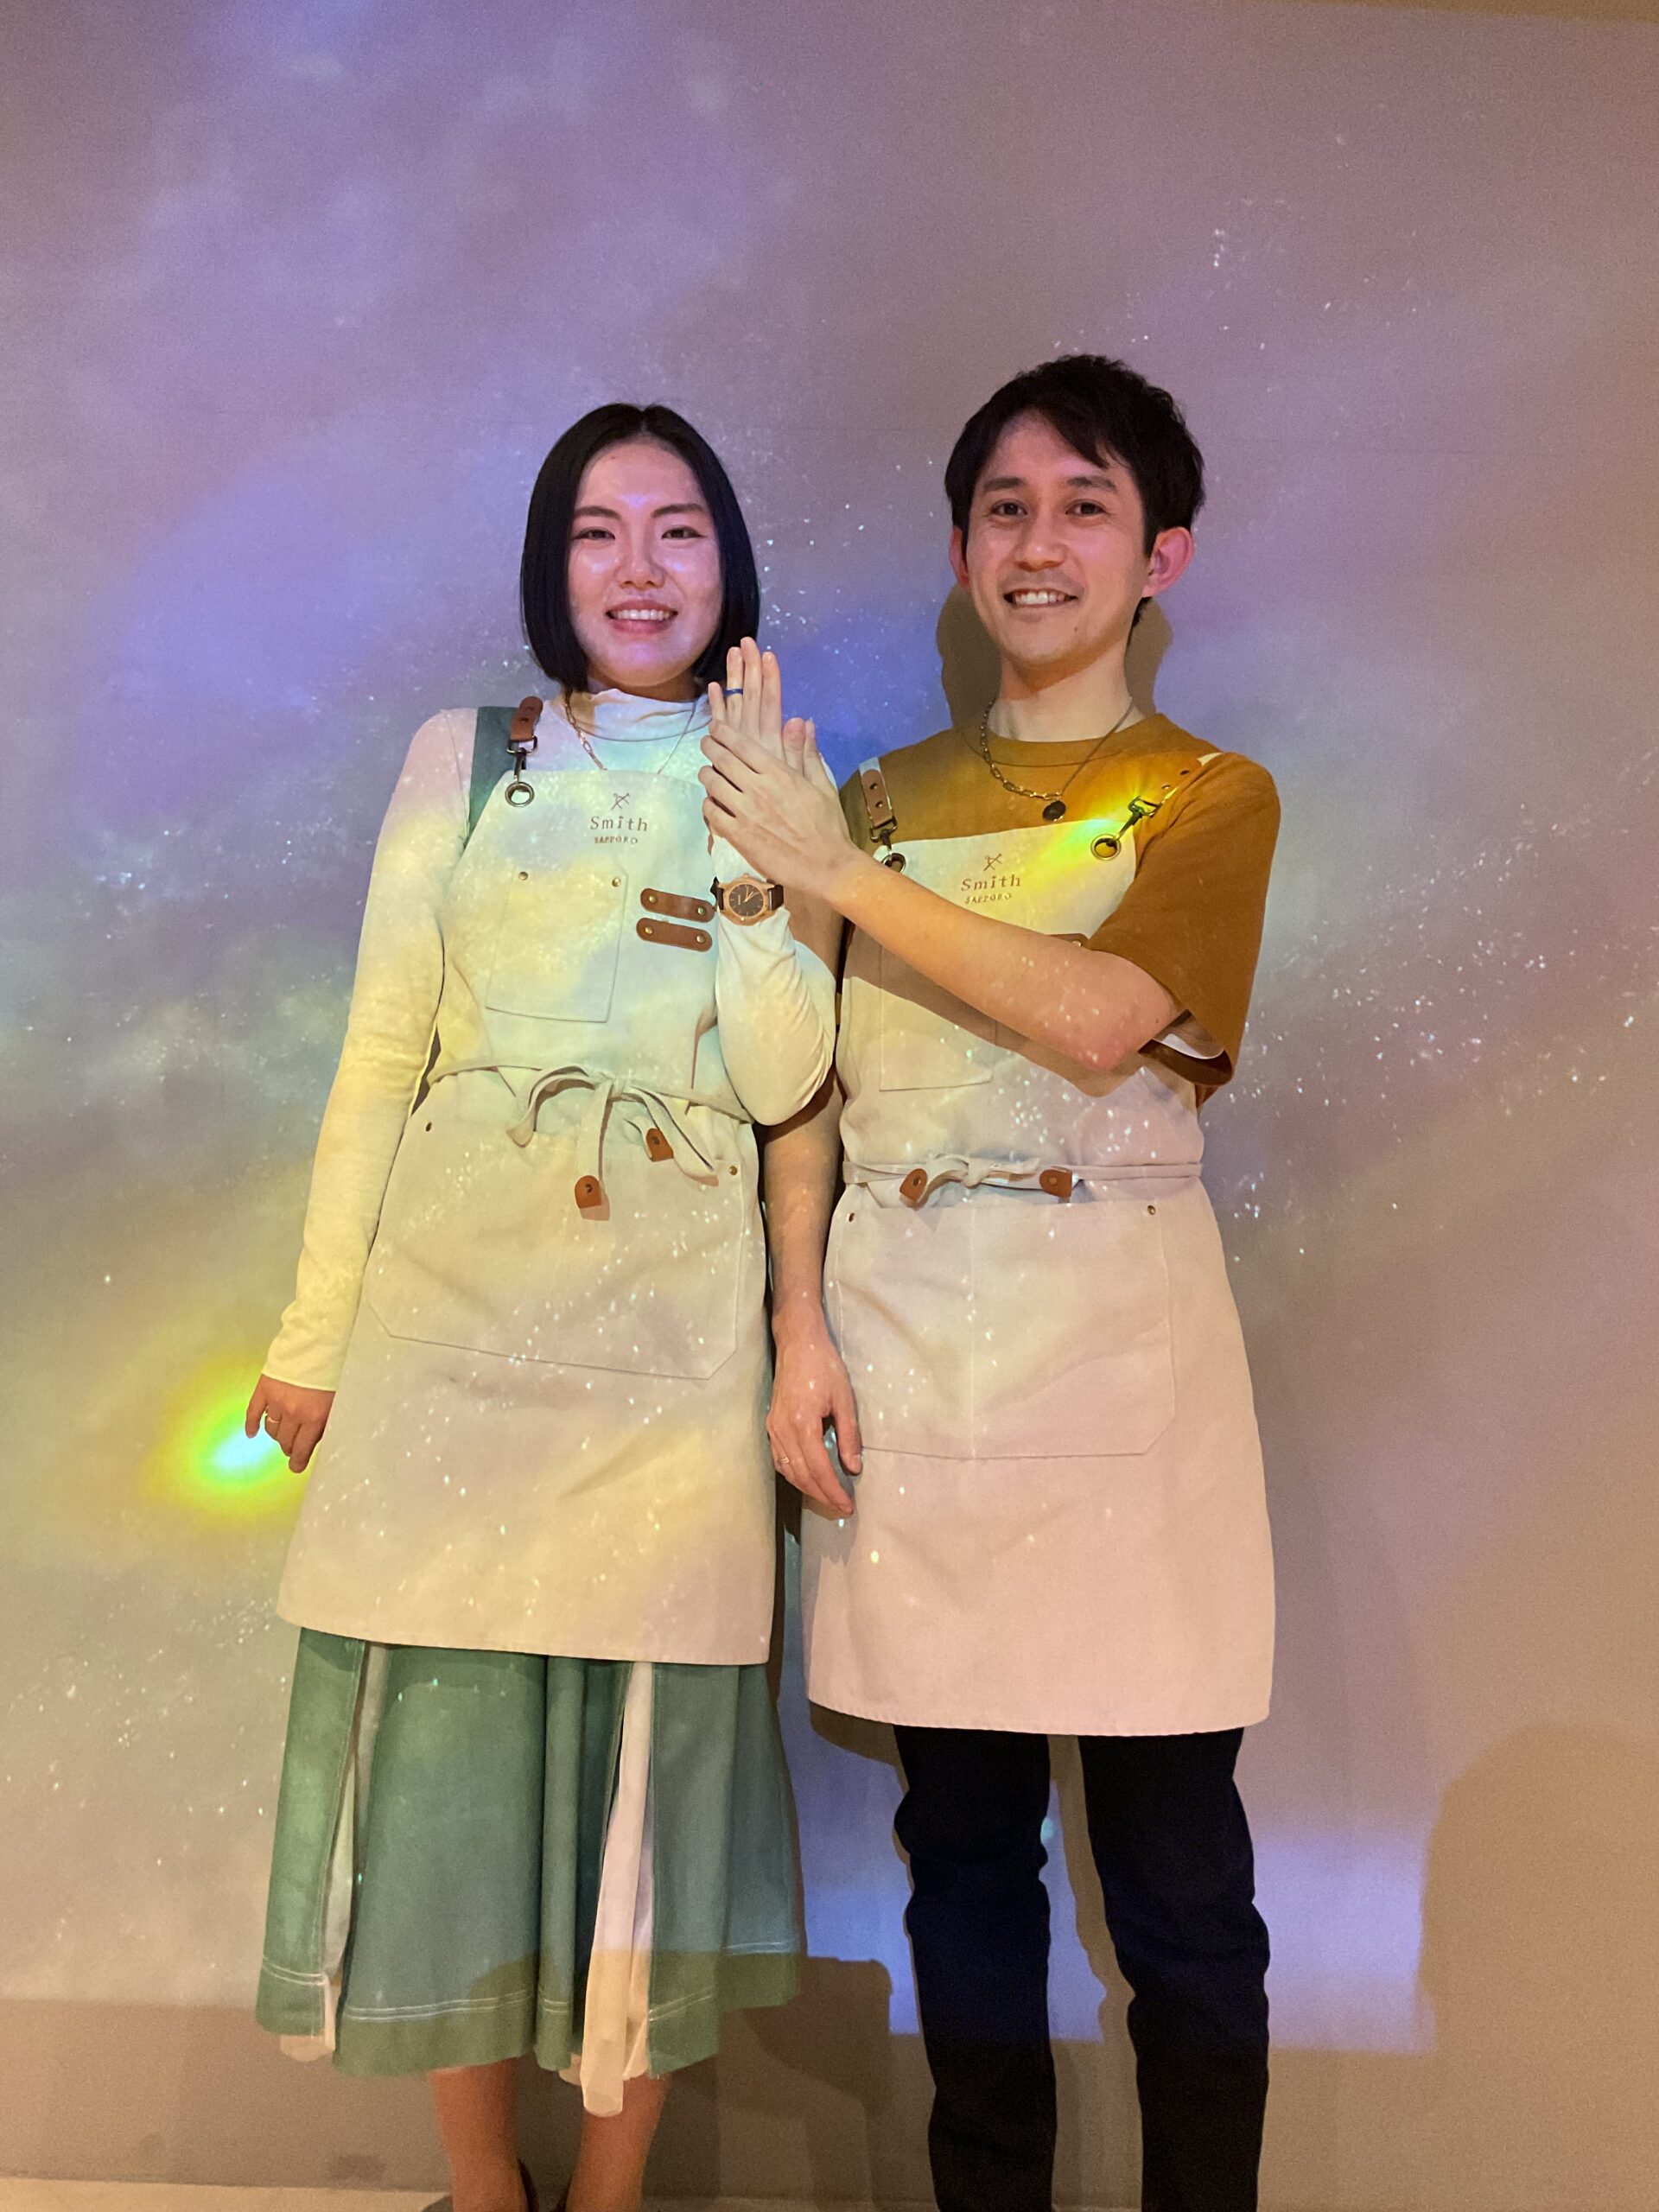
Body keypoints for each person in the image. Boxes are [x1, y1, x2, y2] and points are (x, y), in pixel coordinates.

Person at [700, 354, 1279, 2212]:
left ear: (1161, 551)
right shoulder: (869, 795)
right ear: (962, 552)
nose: (1040, 543)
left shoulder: (1210, 793)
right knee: (961, 1862)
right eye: (1005, 509)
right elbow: (807, 1095)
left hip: (1125, 1369)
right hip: (912, 1357)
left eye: (1085, 506)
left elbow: (1104, 1018)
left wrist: (836, 874)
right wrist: (798, 1326)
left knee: (1180, 1878)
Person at [247, 403, 838, 2212]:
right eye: (598, 529)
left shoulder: (786, 771)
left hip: (670, 1339)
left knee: (650, 1784)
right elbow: (380, 1052)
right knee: (455, 1779)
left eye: (677, 529)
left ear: (727, 561)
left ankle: (609, 2196)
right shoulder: (465, 757)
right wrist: (313, 1336)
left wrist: (767, 846)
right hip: (458, 1312)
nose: (638, 568)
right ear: (551, 563)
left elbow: (786, 1074)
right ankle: (484, 2191)